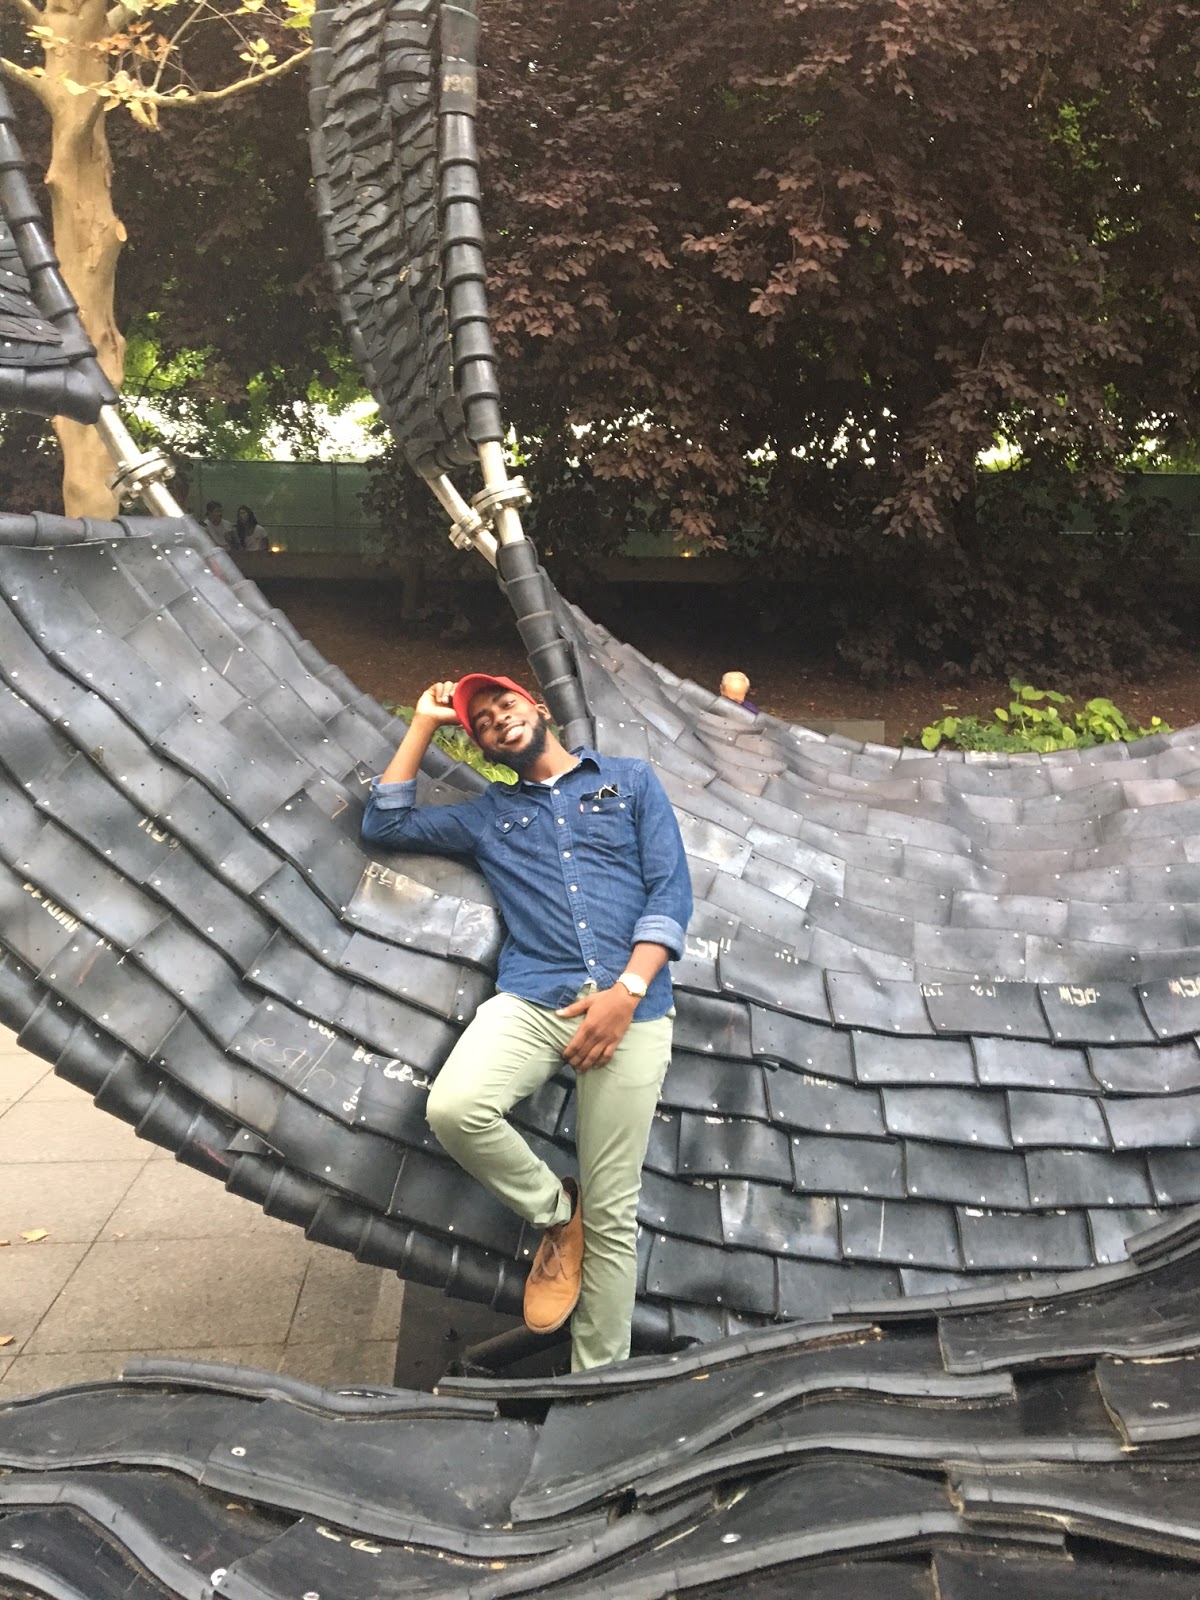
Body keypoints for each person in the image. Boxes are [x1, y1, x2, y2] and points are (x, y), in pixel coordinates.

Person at [361, 675, 692, 1370]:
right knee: (455, 1109)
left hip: (632, 1008)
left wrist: (627, 990)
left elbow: (670, 891)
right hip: (534, 999)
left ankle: (596, 1383)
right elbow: (384, 823)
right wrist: (424, 722)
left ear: (536, 708)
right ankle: (557, 1216)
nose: (497, 720)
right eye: (482, 723)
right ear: (484, 748)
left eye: (503, 705)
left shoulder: (630, 782)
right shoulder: (489, 815)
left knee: (614, 1211)